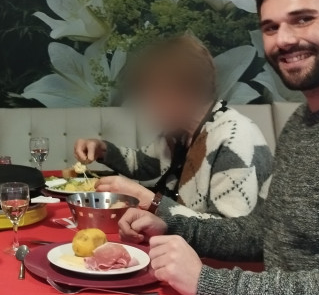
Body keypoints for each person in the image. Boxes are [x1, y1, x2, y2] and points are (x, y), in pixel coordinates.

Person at [119, 0, 319, 295]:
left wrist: (209, 283)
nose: (283, 40)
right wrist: (172, 223)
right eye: (270, 27)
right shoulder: (304, 121)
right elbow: (267, 231)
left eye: (302, 20)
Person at [73, 34, 272, 221]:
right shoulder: (181, 131)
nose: (148, 106)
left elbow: (232, 234)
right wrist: (103, 149)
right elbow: (144, 164)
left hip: (222, 257)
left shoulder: (233, 137)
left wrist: (150, 201)